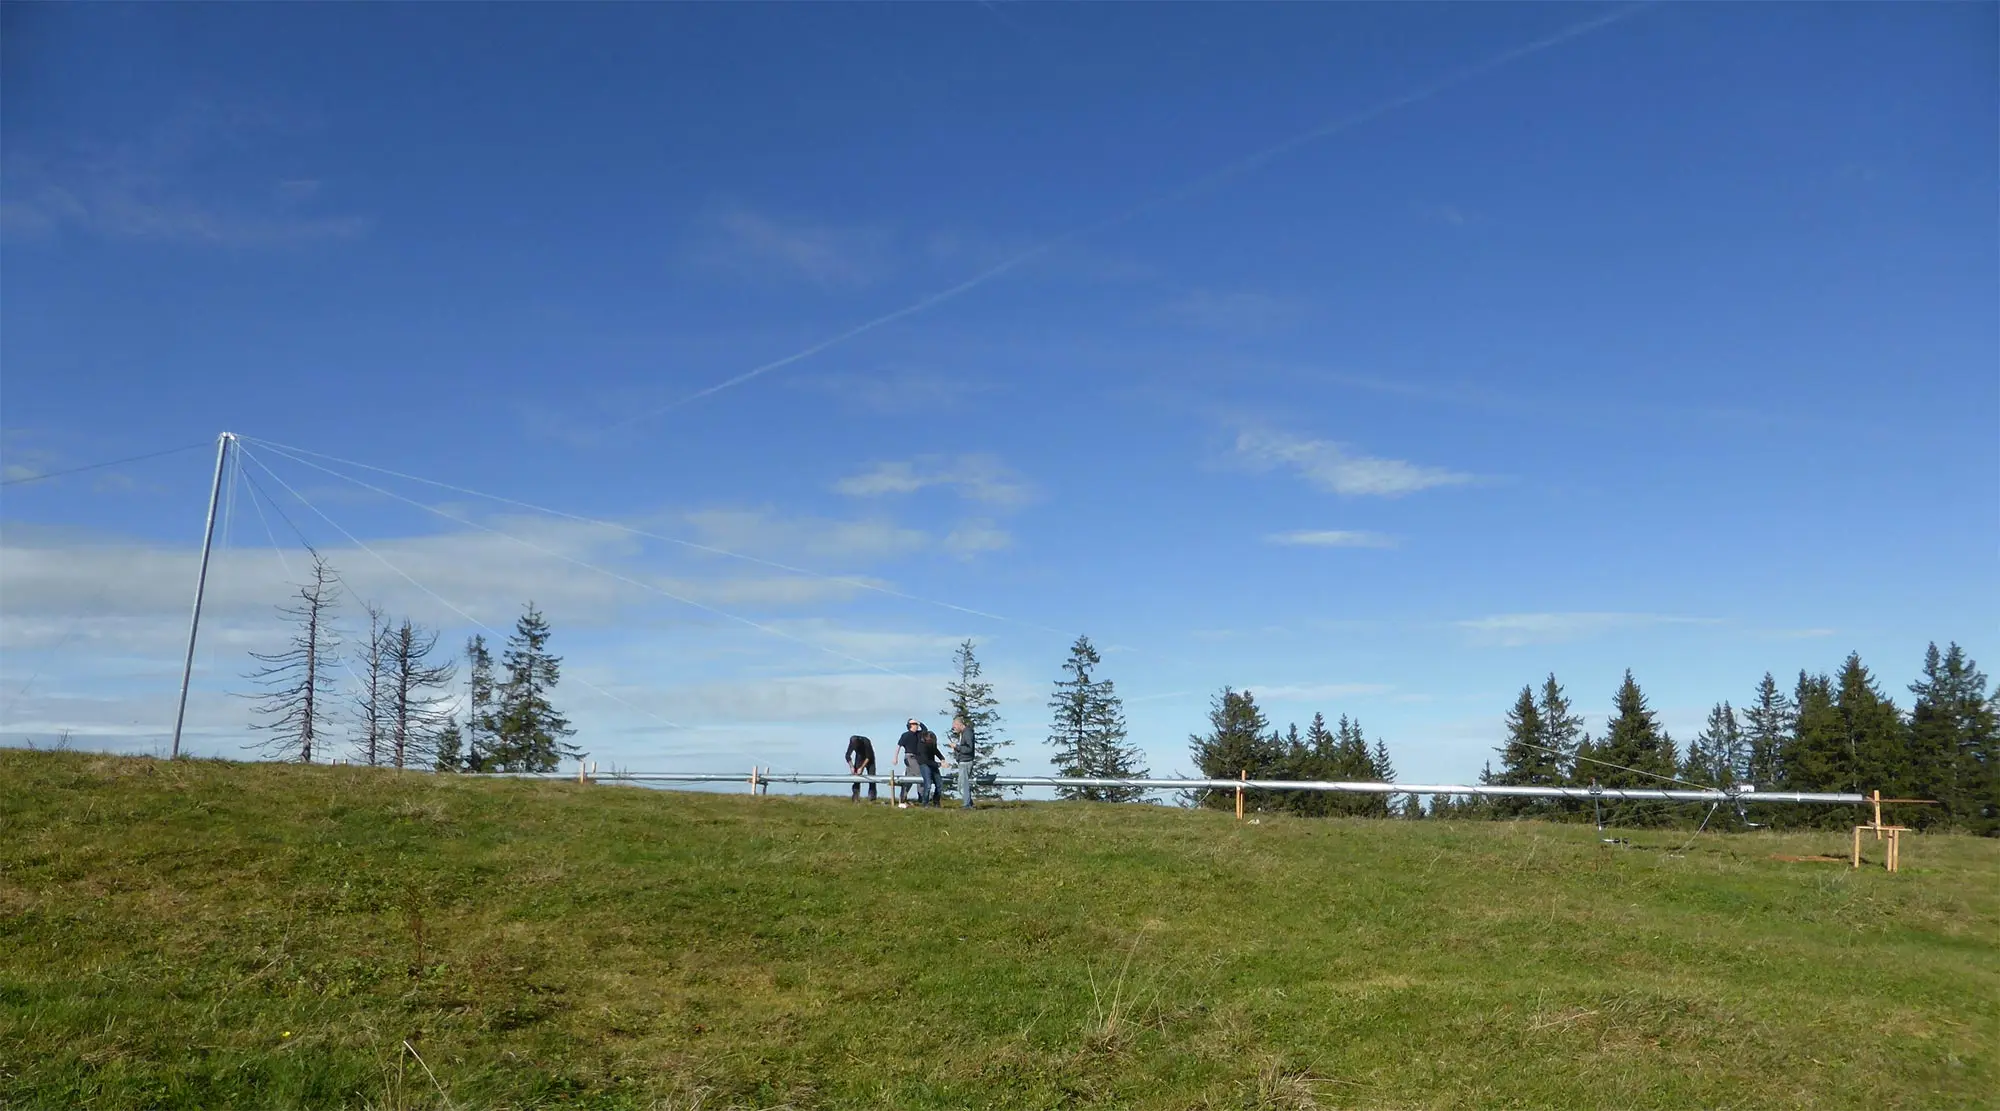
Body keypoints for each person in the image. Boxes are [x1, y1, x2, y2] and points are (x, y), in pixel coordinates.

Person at [895, 718, 926, 806]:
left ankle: (903, 797)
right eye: (915, 724)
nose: (917, 726)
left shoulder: (918, 734)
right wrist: (895, 758)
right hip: (910, 757)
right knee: (919, 775)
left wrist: (919, 722)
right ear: (910, 725)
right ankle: (922, 797)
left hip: (917, 757)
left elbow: (925, 730)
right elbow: (898, 746)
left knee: (909, 777)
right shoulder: (905, 735)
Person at [950, 716, 976, 809]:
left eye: (954, 726)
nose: (954, 729)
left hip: (966, 761)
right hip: (963, 761)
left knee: (962, 785)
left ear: (959, 724)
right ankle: (969, 803)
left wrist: (957, 747)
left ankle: (967, 804)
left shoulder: (967, 733)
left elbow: (969, 748)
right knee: (961, 785)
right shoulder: (964, 733)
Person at [845, 734, 876, 801]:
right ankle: (855, 796)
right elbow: (847, 755)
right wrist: (852, 766)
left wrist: (861, 767)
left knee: (872, 777)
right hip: (859, 757)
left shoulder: (866, 742)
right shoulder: (852, 742)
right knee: (856, 778)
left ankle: (872, 797)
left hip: (870, 759)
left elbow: (868, 757)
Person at [919, 725, 944, 807]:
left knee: (939, 784)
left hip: (932, 764)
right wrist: (939, 764)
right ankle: (925, 802)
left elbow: (935, 750)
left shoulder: (931, 744)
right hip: (925, 765)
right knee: (928, 785)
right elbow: (926, 760)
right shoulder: (922, 746)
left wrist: (942, 758)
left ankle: (936, 801)